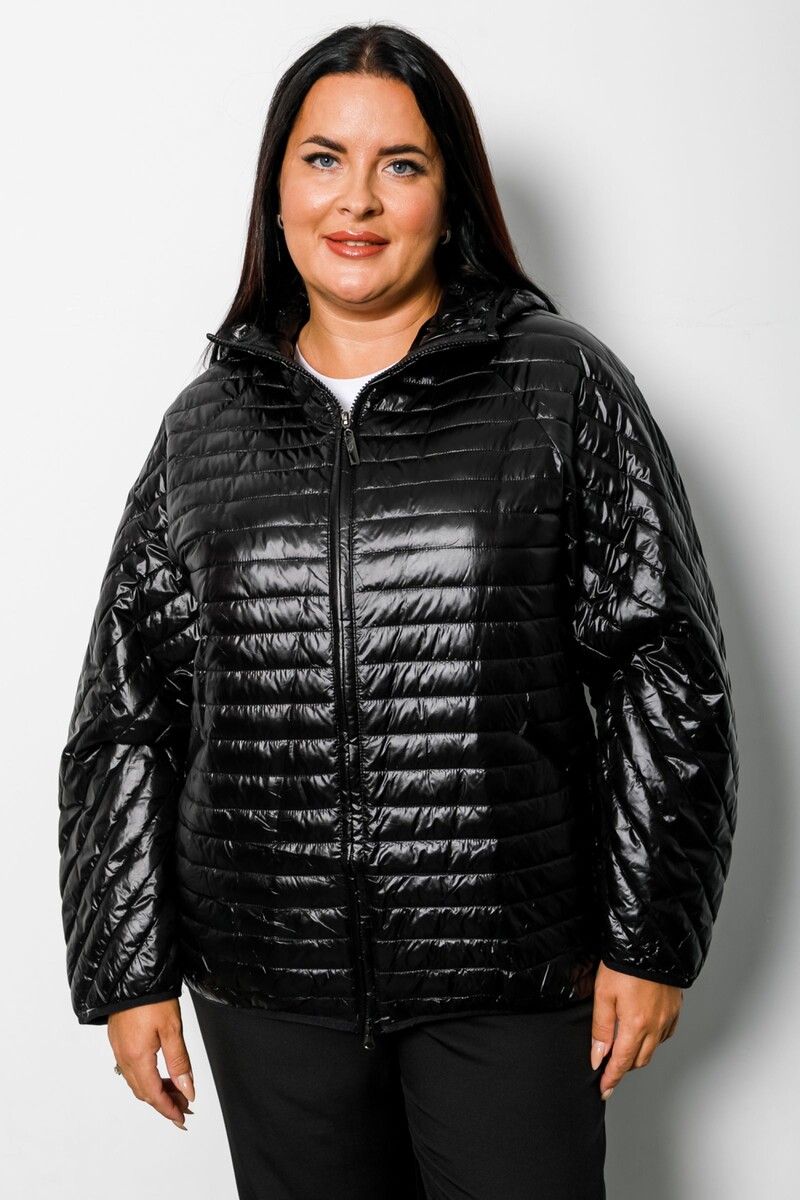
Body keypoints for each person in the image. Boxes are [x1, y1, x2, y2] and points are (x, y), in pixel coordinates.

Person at [57, 20, 739, 1200]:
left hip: (505, 970)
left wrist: (648, 939)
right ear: (275, 190)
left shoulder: (558, 384)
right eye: (323, 159)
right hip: (268, 981)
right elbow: (127, 710)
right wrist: (127, 967)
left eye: (401, 164)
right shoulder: (205, 427)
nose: (357, 200)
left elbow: (664, 669)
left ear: (448, 194)